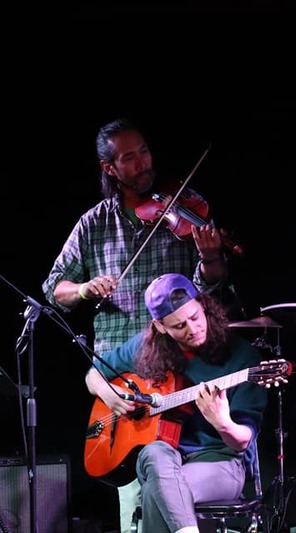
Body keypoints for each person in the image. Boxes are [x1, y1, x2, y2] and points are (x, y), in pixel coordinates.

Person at [41, 118, 238, 531]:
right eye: (128, 158)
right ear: (109, 168)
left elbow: (212, 293)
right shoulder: (93, 224)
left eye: (144, 151)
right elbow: (53, 288)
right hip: (122, 372)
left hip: (177, 370)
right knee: (133, 501)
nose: (142, 163)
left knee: (172, 479)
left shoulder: (183, 208)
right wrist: (84, 290)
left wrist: (211, 258)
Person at [84, 273, 269, 533]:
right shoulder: (146, 348)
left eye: (195, 318)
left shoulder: (243, 358)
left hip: (221, 464)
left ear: (203, 306)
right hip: (165, 462)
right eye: (179, 326)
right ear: (160, 327)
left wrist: (223, 423)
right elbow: (93, 375)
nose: (192, 329)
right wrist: (110, 396)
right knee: (153, 453)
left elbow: (242, 440)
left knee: (157, 490)